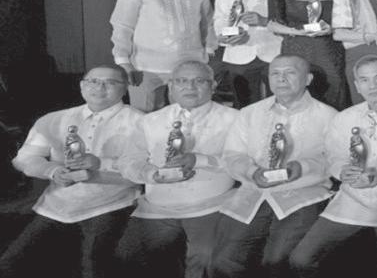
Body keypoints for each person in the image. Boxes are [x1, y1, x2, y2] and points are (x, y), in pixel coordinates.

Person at [289, 54, 377, 277]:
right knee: (301, 259)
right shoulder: (345, 117)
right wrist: (342, 171)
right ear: (357, 86)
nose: (372, 86)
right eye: (364, 80)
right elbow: (333, 156)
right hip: (353, 199)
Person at [0, 65, 144, 278]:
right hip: (56, 204)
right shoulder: (53, 119)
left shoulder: (142, 122)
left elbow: (146, 168)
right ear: (82, 86)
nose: (99, 87)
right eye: (93, 81)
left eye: (110, 83)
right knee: (10, 261)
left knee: (93, 266)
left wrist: (100, 165)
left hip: (111, 203)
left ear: (125, 89)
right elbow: (23, 159)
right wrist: (52, 170)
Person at [209, 55, 337, 278]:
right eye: (275, 74)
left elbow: (336, 159)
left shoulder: (329, 116)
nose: (281, 79)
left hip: (303, 195)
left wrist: (302, 167)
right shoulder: (249, 113)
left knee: (277, 262)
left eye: (290, 73)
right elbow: (232, 155)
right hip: (253, 194)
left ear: (308, 79)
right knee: (223, 261)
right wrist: (252, 172)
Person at [115, 61, 239, 278]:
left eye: (199, 81)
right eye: (182, 81)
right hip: (157, 206)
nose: (190, 87)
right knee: (127, 256)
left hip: (212, 205)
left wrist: (199, 160)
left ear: (213, 86)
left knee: (206, 261)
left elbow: (243, 162)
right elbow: (127, 162)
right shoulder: (150, 120)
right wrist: (151, 175)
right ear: (171, 87)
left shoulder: (236, 119)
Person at [110, 0, 214, 111]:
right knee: (144, 119)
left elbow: (208, 24)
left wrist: (209, 52)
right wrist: (123, 61)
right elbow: (122, 25)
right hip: (146, 67)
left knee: (189, 118)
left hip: (189, 68)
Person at [210, 0, 297, 107]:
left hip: (276, 51)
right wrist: (225, 36)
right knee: (244, 105)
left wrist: (265, 21)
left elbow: (292, 21)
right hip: (239, 51)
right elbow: (221, 16)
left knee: (281, 103)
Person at [267, 0, 354, 108]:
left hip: (327, 53)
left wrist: (330, 30)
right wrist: (296, 32)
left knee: (331, 96)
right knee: (294, 94)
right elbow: (272, 24)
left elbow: (343, 28)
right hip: (294, 50)